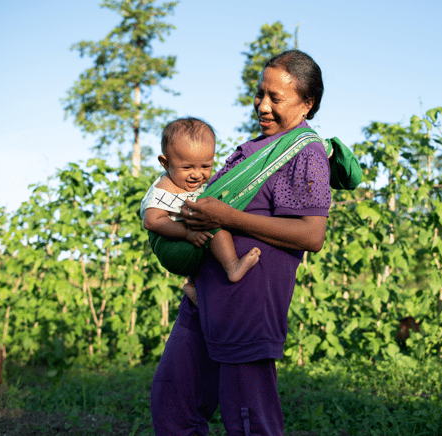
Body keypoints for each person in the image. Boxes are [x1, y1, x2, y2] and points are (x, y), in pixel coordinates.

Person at [150, 49, 332, 436]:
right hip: (203, 299)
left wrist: (226, 217)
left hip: (246, 309)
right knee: (173, 407)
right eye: (259, 94)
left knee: (249, 423)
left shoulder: (306, 154)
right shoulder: (251, 149)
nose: (262, 106)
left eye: (276, 99)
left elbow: (312, 235)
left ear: (307, 104)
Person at [141, 118, 262, 304]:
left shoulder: (189, 183)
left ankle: (195, 289)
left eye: (205, 166)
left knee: (206, 214)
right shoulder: (164, 188)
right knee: (212, 221)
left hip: (180, 244)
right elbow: (152, 221)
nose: (197, 174)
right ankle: (232, 267)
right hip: (169, 246)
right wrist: (187, 233)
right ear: (165, 163)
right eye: (187, 167)